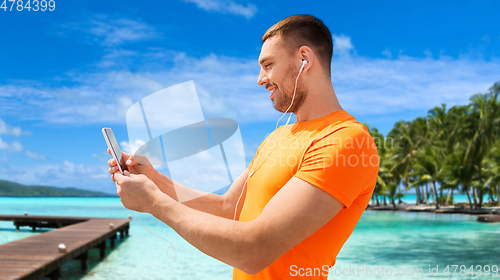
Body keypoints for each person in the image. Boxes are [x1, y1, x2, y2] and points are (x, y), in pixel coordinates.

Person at [108, 14, 379, 279]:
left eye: (268, 65)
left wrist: (154, 202)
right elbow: (228, 207)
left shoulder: (347, 141)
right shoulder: (276, 138)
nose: (260, 79)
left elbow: (255, 250)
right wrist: (154, 180)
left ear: (304, 59)